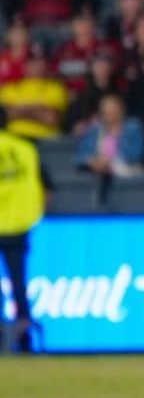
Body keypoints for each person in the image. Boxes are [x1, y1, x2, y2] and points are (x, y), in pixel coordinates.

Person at [0, 105, 45, 352]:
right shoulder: (26, 148)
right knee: (19, 283)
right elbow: (44, 184)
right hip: (18, 224)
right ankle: (24, 337)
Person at [0, 45, 67, 140]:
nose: (36, 65)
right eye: (32, 61)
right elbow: (4, 116)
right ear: (25, 65)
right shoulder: (10, 88)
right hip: (14, 139)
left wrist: (20, 110)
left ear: (45, 64)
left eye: (40, 61)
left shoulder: (56, 88)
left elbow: (51, 119)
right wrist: (39, 109)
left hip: (46, 140)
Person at [76, 92, 144, 176]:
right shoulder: (94, 130)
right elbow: (79, 157)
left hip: (126, 175)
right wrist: (92, 162)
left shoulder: (133, 128)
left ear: (121, 111)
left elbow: (135, 155)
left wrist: (110, 162)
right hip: (97, 174)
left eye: (112, 111)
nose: (108, 115)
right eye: (105, 112)